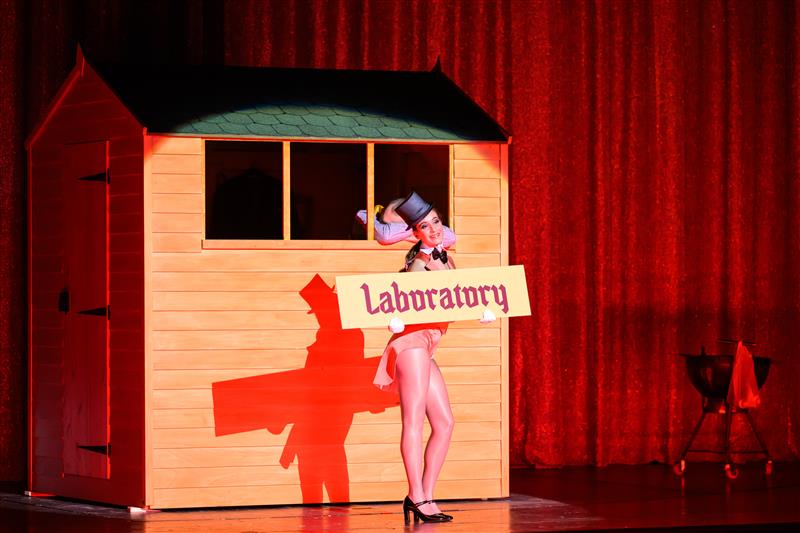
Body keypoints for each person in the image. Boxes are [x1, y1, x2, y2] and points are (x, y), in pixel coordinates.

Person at [372, 191, 460, 524]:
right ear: (416, 232)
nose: (434, 229)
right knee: (413, 420)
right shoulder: (419, 264)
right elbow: (404, 297)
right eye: (425, 226)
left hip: (429, 344)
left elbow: (461, 296)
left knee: (445, 423)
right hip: (411, 344)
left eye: (436, 222)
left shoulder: (445, 256)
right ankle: (418, 495)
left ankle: (424, 495)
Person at [354, 198, 456, 247]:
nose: (395, 231)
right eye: (392, 228)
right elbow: (386, 236)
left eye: (395, 227)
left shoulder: (423, 221)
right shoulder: (416, 229)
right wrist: (418, 234)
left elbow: (451, 238)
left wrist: (417, 231)